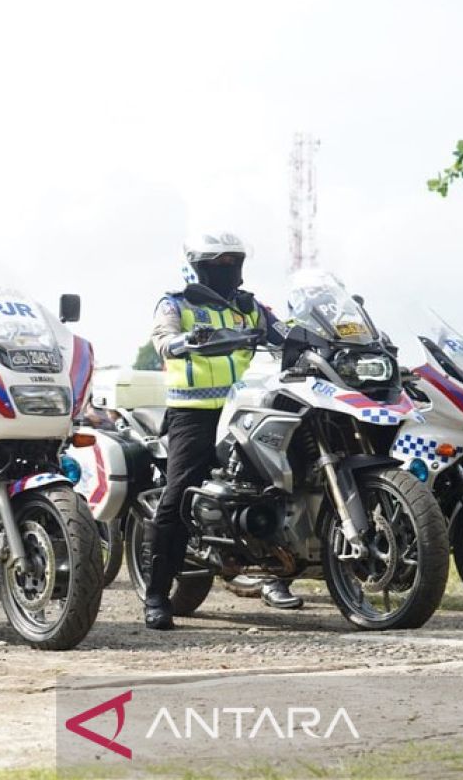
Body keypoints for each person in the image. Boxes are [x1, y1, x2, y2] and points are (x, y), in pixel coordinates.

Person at [144, 232, 297, 631]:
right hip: (195, 412)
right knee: (178, 496)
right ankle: (157, 594)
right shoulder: (175, 302)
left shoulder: (250, 307)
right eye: (218, 263)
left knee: (290, 477)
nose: (228, 270)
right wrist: (183, 341)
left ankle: (279, 576)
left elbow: (285, 334)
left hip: (248, 409)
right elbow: (162, 339)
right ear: (197, 266)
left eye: (234, 262)